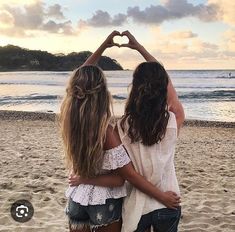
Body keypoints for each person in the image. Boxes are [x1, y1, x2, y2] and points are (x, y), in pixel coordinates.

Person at [60, 31, 181, 232]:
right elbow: (124, 177)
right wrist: (141, 49)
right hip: (123, 201)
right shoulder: (109, 130)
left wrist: (103, 46)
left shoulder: (74, 121)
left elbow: (78, 81)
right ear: (102, 95)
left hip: (87, 199)